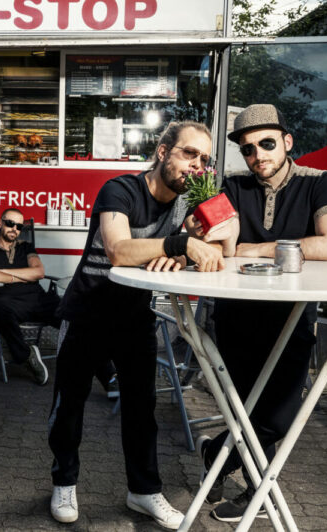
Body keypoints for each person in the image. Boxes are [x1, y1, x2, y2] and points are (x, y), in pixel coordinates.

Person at [47, 121, 224, 529]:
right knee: (69, 405)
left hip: (134, 315)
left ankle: (143, 491)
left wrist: (183, 251)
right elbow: (119, 249)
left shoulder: (186, 202)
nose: (196, 165)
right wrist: (179, 245)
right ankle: (64, 482)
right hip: (88, 311)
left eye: (203, 159)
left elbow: (219, 242)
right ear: (162, 152)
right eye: (189, 153)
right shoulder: (120, 190)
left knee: (142, 410)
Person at [188, 104, 327, 522]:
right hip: (236, 316)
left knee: (278, 418)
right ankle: (256, 494)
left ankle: (215, 454)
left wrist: (255, 249)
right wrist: (204, 231)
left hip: (292, 317)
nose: (258, 155)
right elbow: (221, 246)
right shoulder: (233, 185)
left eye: (267, 143)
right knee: (247, 411)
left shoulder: (319, 182)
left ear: (287, 141)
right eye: (248, 148)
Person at [0, 208, 59, 385]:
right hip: (9, 303)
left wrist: (3, 273)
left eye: (19, 226)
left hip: (38, 299)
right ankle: (27, 355)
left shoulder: (26, 247)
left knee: (71, 310)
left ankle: (103, 370)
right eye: (10, 223)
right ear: (0, 223)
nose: (14, 228)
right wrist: (23, 275)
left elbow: (39, 272)